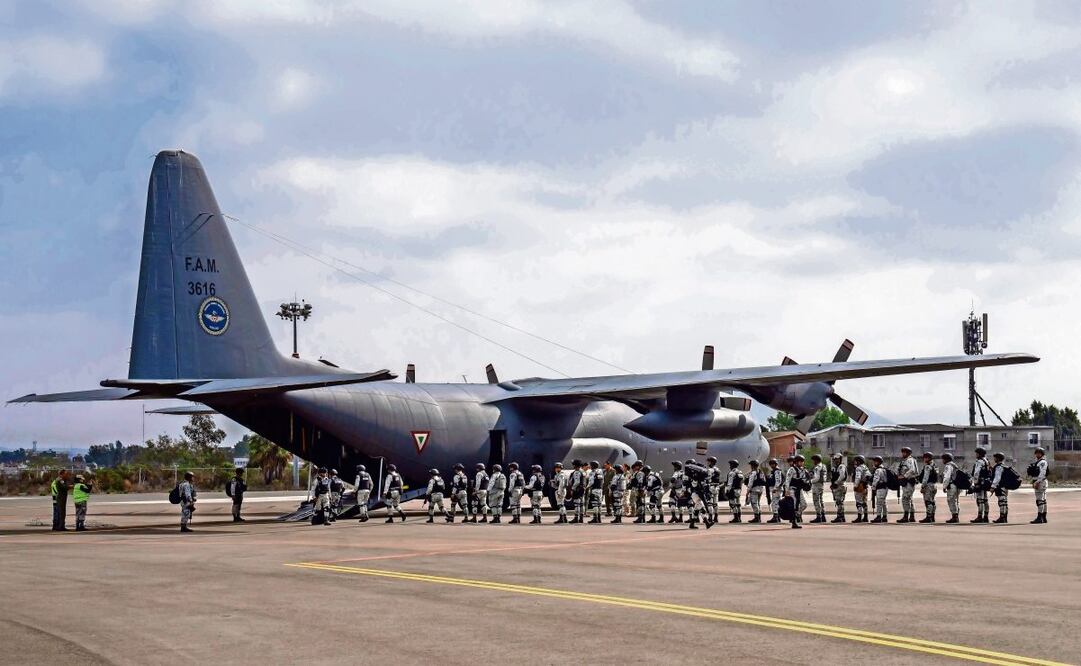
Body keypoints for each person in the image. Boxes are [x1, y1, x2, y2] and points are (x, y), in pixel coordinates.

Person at [896, 447, 919, 523]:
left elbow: (912, 470)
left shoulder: (909, 460)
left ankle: (906, 517)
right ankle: (911, 516)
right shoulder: (906, 460)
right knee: (910, 499)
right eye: (902, 452)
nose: (903, 454)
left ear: (908, 453)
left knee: (905, 499)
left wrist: (904, 476)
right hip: (907, 483)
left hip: (908, 482)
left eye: (904, 452)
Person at [969, 447, 991, 524]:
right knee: (985, 500)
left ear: (979, 454)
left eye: (977, 453)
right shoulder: (986, 461)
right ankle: (986, 516)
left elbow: (976, 473)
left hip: (980, 482)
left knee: (980, 500)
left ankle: (979, 516)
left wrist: (975, 483)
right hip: (985, 482)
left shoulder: (979, 461)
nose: (976, 454)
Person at [784, 455, 808, 524]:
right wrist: (786, 491)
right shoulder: (792, 469)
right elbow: (787, 480)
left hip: (799, 490)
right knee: (794, 505)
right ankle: (794, 521)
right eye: (800, 461)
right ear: (796, 462)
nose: (802, 463)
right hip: (792, 490)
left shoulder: (803, 470)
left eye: (802, 461)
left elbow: (804, 480)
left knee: (804, 505)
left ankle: (797, 515)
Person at [1029, 447, 1049, 524]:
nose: (1037, 454)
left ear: (1042, 454)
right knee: (1043, 500)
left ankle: (1040, 517)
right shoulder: (1038, 462)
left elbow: (1042, 472)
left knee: (1040, 500)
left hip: (1041, 481)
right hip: (1040, 481)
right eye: (1036, 453)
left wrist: (1037, 482)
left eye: (1039, 453)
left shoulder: (1042, 462)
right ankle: (1043, 517)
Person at [988, 452, 1010, 524]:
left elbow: (997, 477)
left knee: (1002, 502)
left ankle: (1002, 517)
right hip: (1004, 487)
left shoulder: (999, 467)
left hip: (1000, 487)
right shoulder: (1002, 466)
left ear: (998, 458)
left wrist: (993, 486)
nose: (994, 459)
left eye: (995, 457)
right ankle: (1004, 517)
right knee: (1003, 502)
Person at [940, 453, 961, 523]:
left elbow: (947, 477)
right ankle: (956, 516)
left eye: (943, 459)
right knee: (955, 501)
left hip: (952, 486)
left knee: (951, 500)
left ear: (946, 459)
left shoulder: (948, 466)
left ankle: (954, 516)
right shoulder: (954, 465)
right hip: (957, 485)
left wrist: (944, 486)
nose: (942, 460)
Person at [918, 452, 938, 523]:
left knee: (928, 501)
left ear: (929, 458)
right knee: (932, 501)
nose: (924, 459)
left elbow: (925, 477)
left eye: (925, 457)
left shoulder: (928, 466)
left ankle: (928, 517)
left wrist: (923, 486)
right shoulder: (934, 466)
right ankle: (932, 516)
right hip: (934, 485)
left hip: (928, 485)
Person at [852, 455, 871, 523]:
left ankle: (859, 517)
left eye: (856, 461)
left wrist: (855, 485)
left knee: (858, 502)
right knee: (864, 502)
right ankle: (866, 517)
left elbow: (858, 477)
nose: (855, 462)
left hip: (860, 486)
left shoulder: (858, 468)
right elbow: (869, 476)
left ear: (859, 461)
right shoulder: (866, 467)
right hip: (865, 486)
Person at [809, 454, 828, 523]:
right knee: (821, 501)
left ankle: (818, 516)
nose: (813, 461)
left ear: (816, 460)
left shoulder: (817, 467)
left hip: (816, 485)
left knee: (816, 501)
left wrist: (810, 481)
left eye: (814, 460)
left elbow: (816, 478)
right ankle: (823, 516)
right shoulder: (823, 466)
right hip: (821, 485)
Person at [870, 456, 889, 523]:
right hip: (885, 488)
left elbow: (875, 480)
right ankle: (884, 517)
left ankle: (878, 517)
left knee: (879, 503)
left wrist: (873, 488)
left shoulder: (878, 470)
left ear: (878, 462)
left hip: (880, 488)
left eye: (875, 461)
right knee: (883, 503)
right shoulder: (884, 469)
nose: (874, 463)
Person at [829, 453, 847, 523]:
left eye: (837, 459)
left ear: (840, 459)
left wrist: (836, 483)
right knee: (839, 502)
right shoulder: (835, 467)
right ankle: (842, 516)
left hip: (840, 485)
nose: (836, 460)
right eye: (835, 459)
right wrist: (832, 484)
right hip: (836, 486)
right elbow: (833, 477)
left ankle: (839, 516)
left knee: (839, 502)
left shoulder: (841, 466)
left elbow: (842, 476)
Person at [766, 459, 784, 523]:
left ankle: (775, 517)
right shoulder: (774, 471)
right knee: (776, 503)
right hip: (776, 489)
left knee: (775, 503)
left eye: (773, 464)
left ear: (776, 464)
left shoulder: (777, 471)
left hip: (776, 490)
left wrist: (775, 488)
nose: (771, 465)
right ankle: (777, 517)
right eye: (771, 464)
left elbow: (778, 480)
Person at [705, 457, 722, 524]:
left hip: (711, 487)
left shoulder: (709, 470)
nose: (707, 463)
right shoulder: (718, 470)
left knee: (710, 504)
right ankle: (716, 517)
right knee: (715, 504)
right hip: (717, 487)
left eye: (708, 461)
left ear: (711, 462)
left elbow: (707, 479)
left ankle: (710, 517)